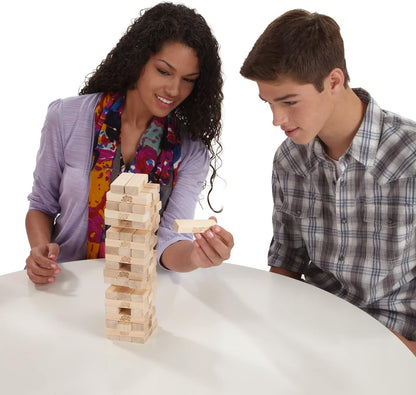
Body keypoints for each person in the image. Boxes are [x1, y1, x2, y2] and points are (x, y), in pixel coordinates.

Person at [240, 9, 416, 355]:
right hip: (314, 338)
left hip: (394, 346)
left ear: (334, 82)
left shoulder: (410, 158)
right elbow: (287, 259)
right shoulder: (290, 160)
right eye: (269, 103)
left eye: (289, 102)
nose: (277, 119)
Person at [26, 2, 234, 284]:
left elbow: (171, 239)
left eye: (188, 80)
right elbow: (42, 204)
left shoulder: (191, 149)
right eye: (164, 71)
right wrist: (40, 249)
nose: (174, 90)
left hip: (138, 291)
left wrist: (197, 256)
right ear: (138, 61)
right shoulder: (65, 117)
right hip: (65, 284)